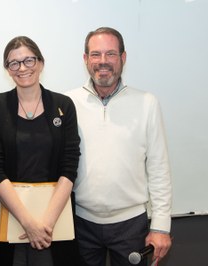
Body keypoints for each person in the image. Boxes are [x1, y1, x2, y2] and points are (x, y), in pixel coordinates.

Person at [66, 27, 172, 266]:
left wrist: (161, 227)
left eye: (111, 54)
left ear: (123, 58)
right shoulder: (67, 103)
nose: (103, 61)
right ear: (85, 59)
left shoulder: (147, 103)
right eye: (95, 54)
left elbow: (159, 169)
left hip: (132, 226)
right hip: (79, 224)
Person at [0, 36, 81, 266]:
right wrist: (28, 223)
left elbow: (70, 165)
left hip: (52, 224)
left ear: (41, 63)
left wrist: (46, 224)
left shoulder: (63, 106)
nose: (22, 68)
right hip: (7, 215)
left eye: (29, 60)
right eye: (14, 63)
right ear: (7, 69)